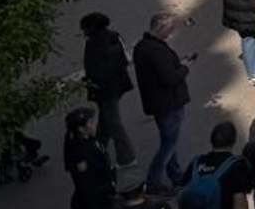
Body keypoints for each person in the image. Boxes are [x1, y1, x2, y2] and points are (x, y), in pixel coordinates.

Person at [133, 10, 193, 195]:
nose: (172, 32)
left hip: (158, 102)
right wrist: (185, 67)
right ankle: (154, 181)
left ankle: (175, 175)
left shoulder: (142, 47)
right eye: (170, 28)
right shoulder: (156, 51)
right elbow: (169, 78)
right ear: (161, 28)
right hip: (169, 103)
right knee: (169, 144)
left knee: (169, 141)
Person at [80, 11, 138, 168]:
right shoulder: (113, 36)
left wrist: (90, 82)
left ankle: (126, 157)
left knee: (113, 122)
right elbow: (124, 59)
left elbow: (93, 68)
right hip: (117, 85)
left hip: (104, 89)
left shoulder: (93, 43)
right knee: (106, 121)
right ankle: (99, 148)